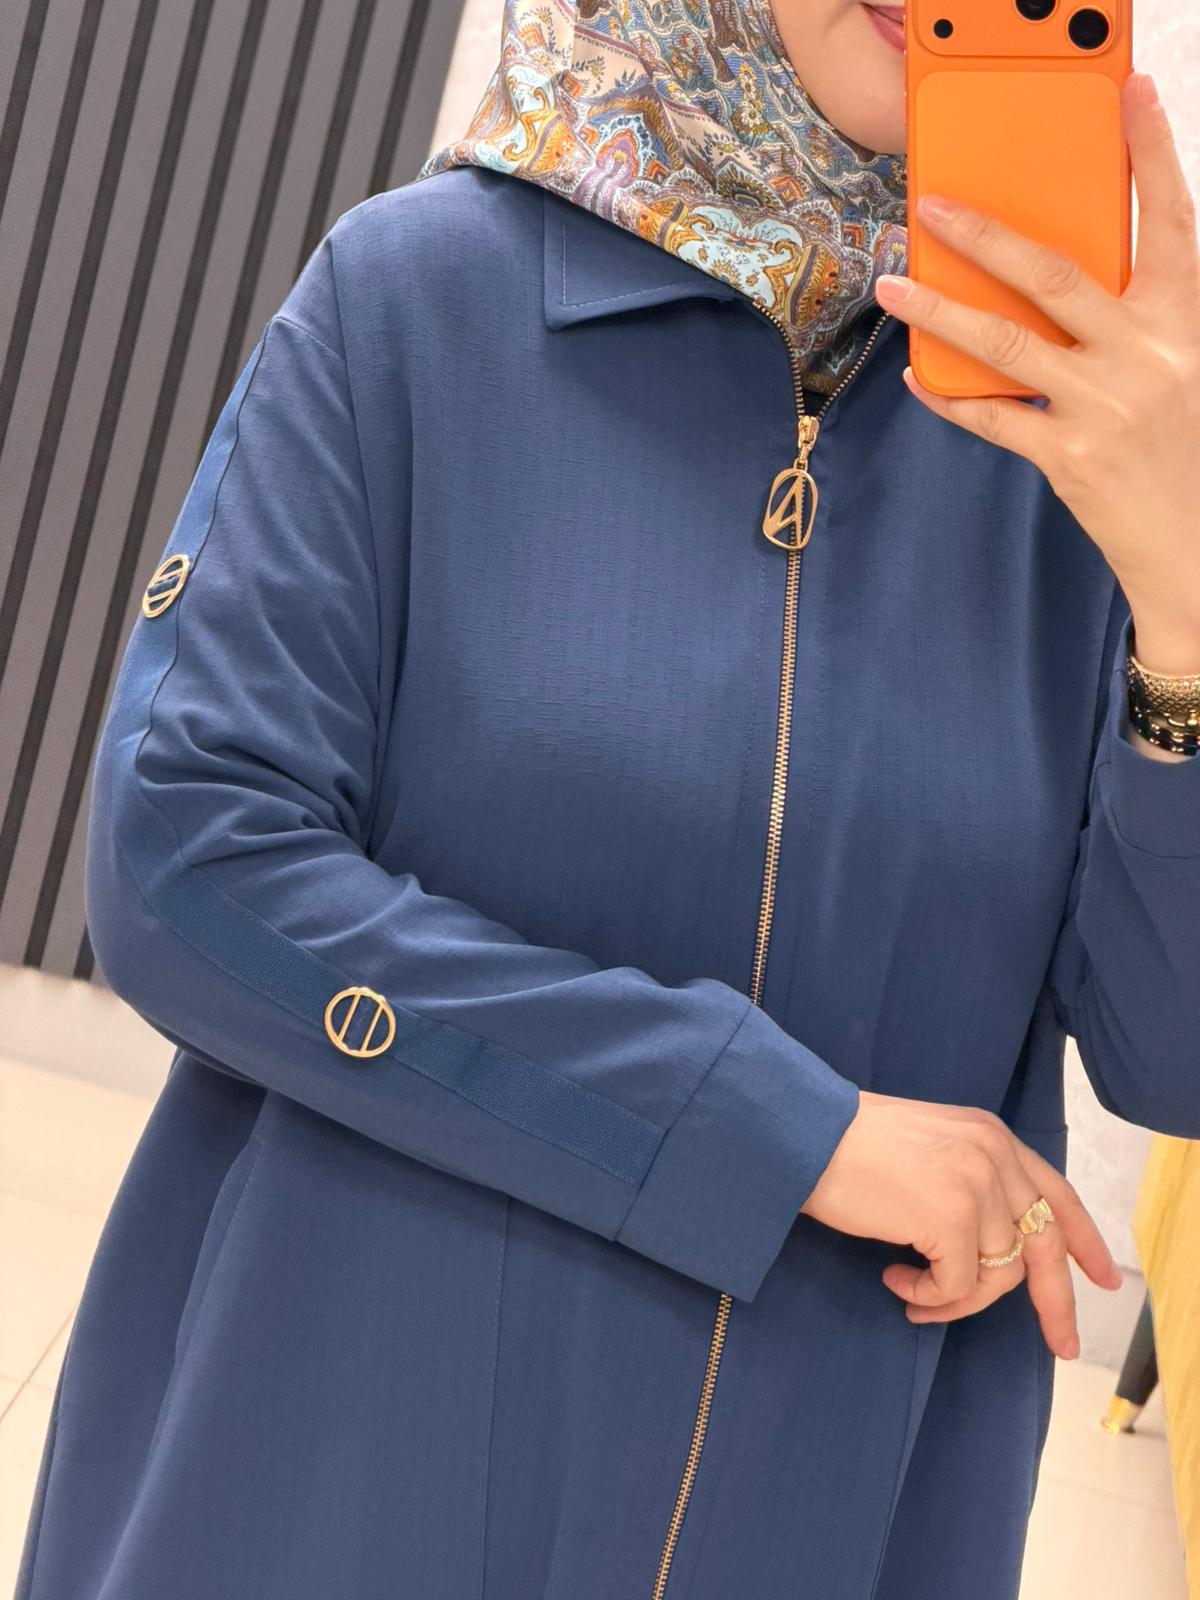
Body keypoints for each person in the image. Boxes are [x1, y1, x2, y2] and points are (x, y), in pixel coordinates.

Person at [17, 2, 1200, 1597]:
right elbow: (188, 865)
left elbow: (1172, 1054)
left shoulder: (1083, 464)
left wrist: (1183, 598)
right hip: (329, 1478)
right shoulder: (420, 300)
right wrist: (780, 1133)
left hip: (819, 1522)